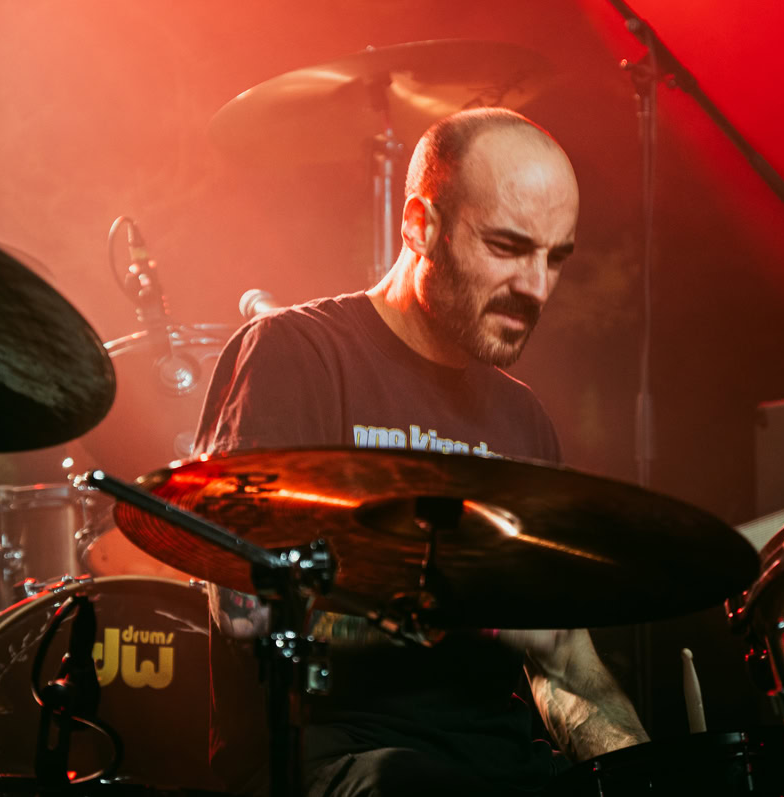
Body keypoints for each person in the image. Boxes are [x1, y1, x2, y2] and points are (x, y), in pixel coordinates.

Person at [195, 107, 648, 796]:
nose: (537, 286)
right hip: (336, 764)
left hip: (500, 771)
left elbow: (565, 665)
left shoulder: (524, 420)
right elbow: (243, 609)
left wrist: (645, 773)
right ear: (420, 226)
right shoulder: (297, 354)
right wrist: (456, 613)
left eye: (555, 257)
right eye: (508, 246)